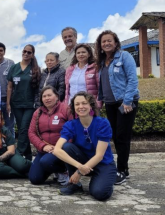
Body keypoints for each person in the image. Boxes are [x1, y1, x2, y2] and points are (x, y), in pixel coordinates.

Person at [53, 91, 116, 201]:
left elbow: (99, 155)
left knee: (99, 193)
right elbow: (57, 150)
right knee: (67, 147)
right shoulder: (71, 125)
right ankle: (75, 185)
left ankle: (105, 180)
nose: (80, 107)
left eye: (84, 103)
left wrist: (79, 171)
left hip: (103, 164)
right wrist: (80, 167)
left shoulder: (102, 123)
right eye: (77, 104)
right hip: (84, 162)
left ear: (91, 105)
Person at [95, 30, 139, 185]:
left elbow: (133, 80)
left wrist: (127, 101)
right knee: (114, 135)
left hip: (125, 102)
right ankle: (120, 168)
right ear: (100, 45)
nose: (106, 43)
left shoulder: (124, 56)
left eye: (109, 41)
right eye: (103, 41)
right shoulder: (101, 62)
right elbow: (102, 84)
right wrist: (100, 100)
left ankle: (123, 170)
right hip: (110, 103)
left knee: (122, 135)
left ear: (115, 42)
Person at [28, 86, 73, 185]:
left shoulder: (66, 109)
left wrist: (61, 147)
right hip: (45, 149)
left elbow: (74, 131)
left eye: (49, 95)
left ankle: (64, 171)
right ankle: (54, 170)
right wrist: (43, 146)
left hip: (62, 149)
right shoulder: (38, 112)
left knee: (46, 161)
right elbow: (31, 133)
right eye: (44, 96)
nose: (47, 98)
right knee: (35, 179)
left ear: (56, 96)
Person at [6, 44, 41, 160]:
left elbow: (38, 89)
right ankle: (28, 155)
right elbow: (9, 87)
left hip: (30, 105)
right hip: (16, 103)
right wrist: (8, 103)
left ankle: (18, 154)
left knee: (24, 128)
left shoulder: (35, 69)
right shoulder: (14, 68)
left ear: (32, 55)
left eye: (29, 52)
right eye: (24, 51)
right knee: (21, 128)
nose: (26, 54)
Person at [64, 43, 101, 109]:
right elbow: (67, 90)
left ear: (89, 54)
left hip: (89, 105)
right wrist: (66, 104)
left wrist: (97, 105)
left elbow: (100, 87)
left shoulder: (95, 68)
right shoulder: (69, 69)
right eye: (78, 53)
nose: (81, 54)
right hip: (72, 105)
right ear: (75, 55)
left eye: (83, 52)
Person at [0, 42, 16, 136]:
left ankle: (11, 147)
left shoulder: (11, 63)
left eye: (1, 50)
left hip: (8, 100)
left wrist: (9, 102)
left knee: (9, 125)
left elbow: (13, 81)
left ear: (4, 52)